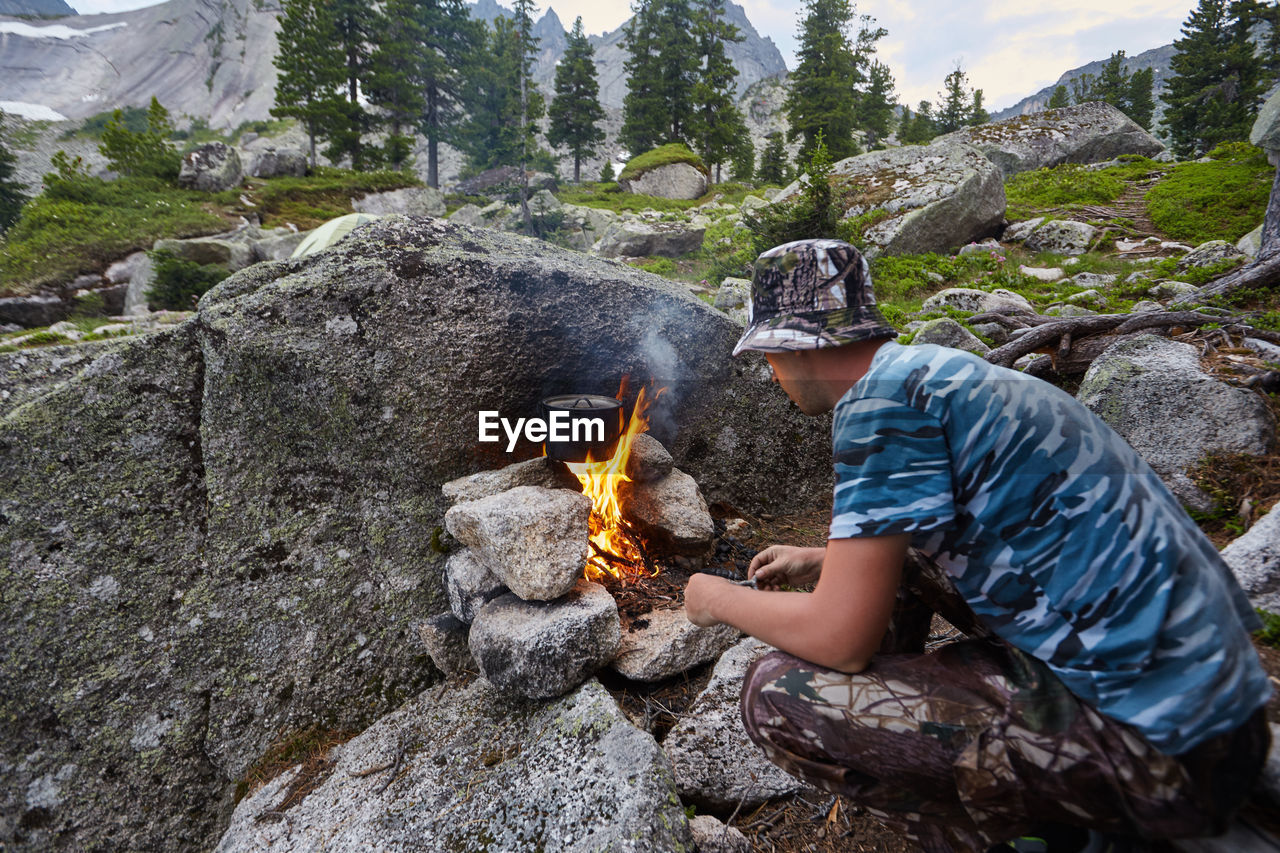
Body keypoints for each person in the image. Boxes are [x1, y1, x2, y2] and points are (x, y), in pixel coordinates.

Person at [683, 238, 1272, 853]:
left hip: (1160, 752)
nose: (772, 374)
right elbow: (986, 527)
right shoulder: (934, 373)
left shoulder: (878, 406)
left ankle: (1044, 837)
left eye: (768, 357)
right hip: (1218, 715)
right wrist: (823, 561)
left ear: (792, 342)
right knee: (902, 573)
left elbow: (839, 639)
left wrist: (714, 598)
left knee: (776, 693)